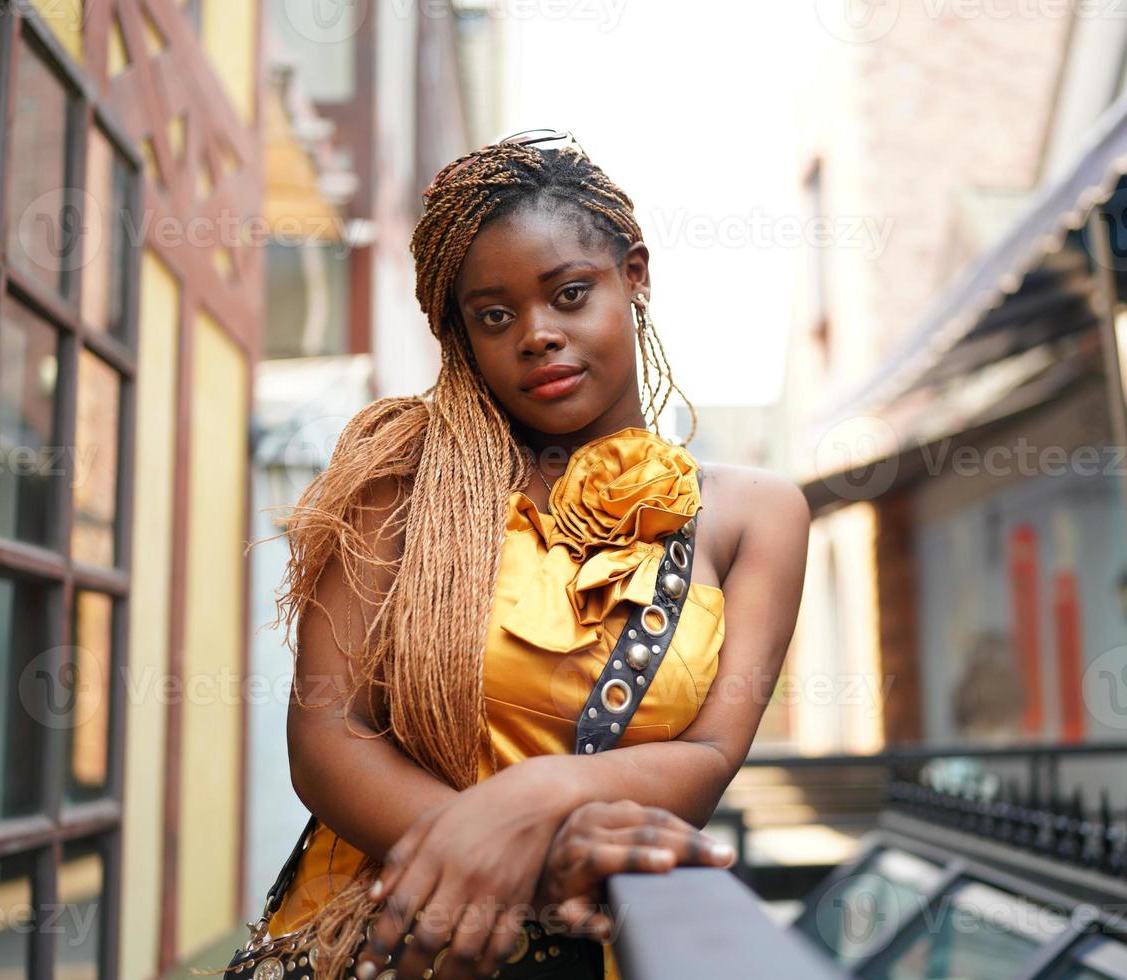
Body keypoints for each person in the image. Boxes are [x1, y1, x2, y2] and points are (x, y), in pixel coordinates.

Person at [262, 130, 810, 980]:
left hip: (607, 952)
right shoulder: (401, 484)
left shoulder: (754, 516)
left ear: (635, 274)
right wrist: (518, 861)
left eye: (569, 293)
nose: (536, 334)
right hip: (381, 942)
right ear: (464, 336)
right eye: (495, 315)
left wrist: (534, 799)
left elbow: (706, 763)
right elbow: (328, 737)